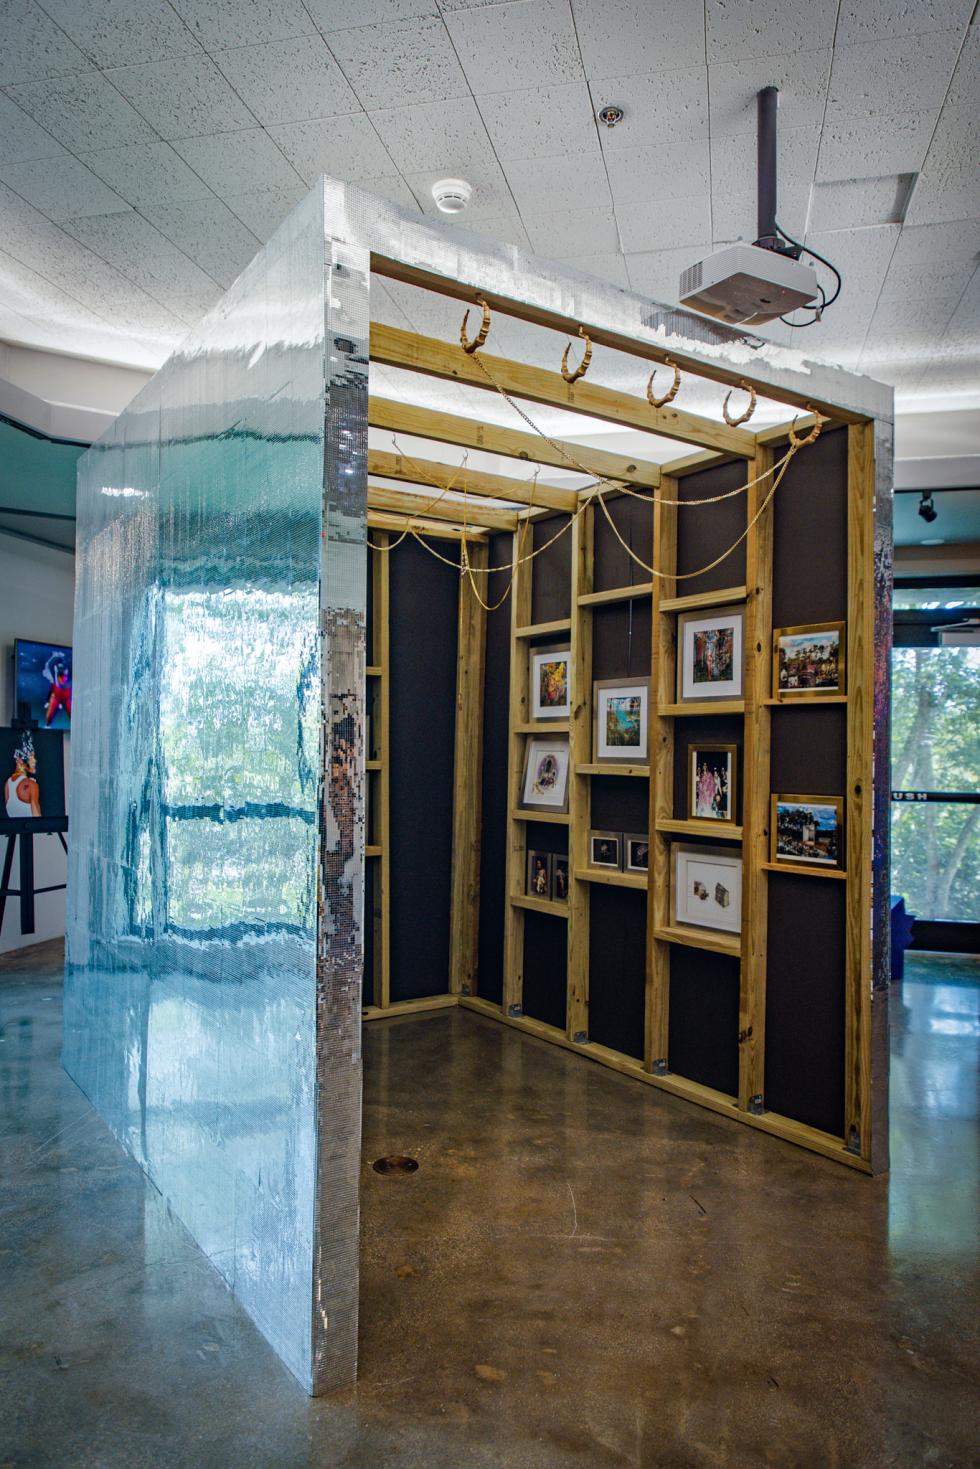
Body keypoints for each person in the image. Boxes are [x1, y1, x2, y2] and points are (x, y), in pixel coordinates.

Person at [5, 737, 41, 818]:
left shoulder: (8, 783)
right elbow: (38, 821)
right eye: (31, 757)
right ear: (20, 760)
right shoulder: (31, 785)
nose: (34, 761)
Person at [42, 651, 71, 726]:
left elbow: (60, 685)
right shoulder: (52, 674)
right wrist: (53, 657)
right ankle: (48, 724)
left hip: (64, 695)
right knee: (50, 715)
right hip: (56, 695)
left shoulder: (64, 676)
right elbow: (47, 665)